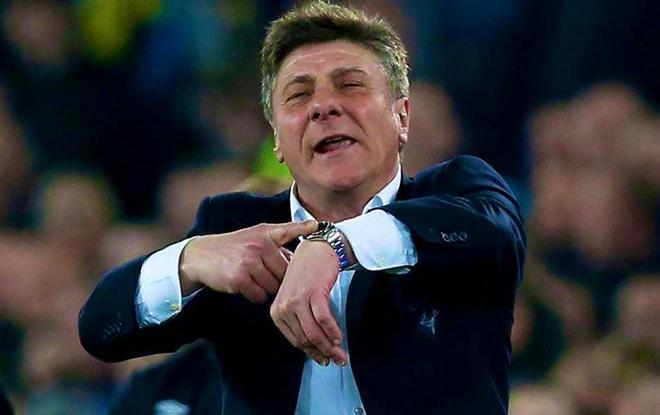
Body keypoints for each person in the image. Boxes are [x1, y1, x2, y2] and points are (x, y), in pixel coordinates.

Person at [78, 1, 526, 414]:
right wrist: (188, 261)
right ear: (276, 138)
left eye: (350, 85)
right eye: (298, 95)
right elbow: (102, 331)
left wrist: (336, 244)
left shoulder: (459, 191)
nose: (324, 107)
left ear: (402, 117)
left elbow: (492, 231)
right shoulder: (238, 230)